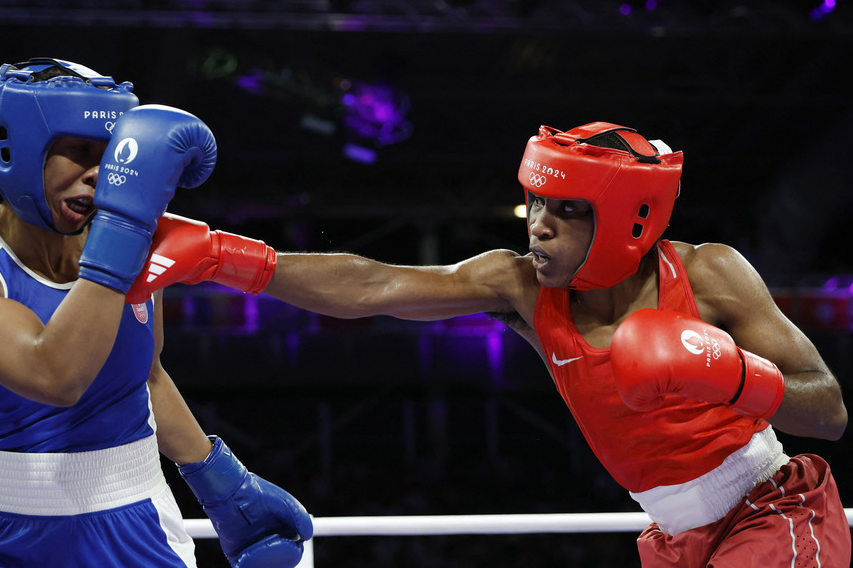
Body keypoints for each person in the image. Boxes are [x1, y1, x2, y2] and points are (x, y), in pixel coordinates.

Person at [126, 121, 850, 566]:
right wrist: (223, 256)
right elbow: (372, 285)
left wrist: (730, 378)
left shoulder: (709, 272)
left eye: (563, 211)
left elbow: (828, 411)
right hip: (672, 536)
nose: (536, 223)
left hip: (770, 510)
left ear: (629, 218)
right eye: (534, 200)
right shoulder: (521, 288)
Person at [0, 58, 312, 568]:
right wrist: (124, 233)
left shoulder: (130, 240)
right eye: (79, 150)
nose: (101, 174)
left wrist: (223, 485)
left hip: (138, 524)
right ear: (17, 148)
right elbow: (54, 376)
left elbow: (145, 378)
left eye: (110, 154)